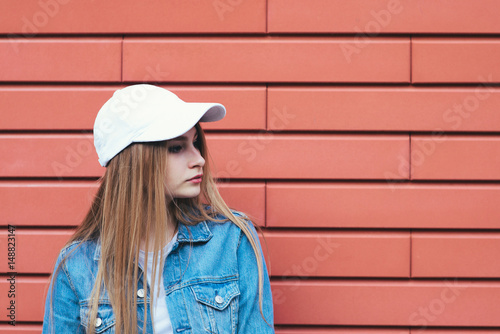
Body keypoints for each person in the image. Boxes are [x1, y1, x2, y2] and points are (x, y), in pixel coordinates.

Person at [42, 84, 275, 334]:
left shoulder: (232, 240)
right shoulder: (77, 266)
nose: (199, 159)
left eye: (195, 143)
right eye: (176, 148)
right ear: (137, 162)